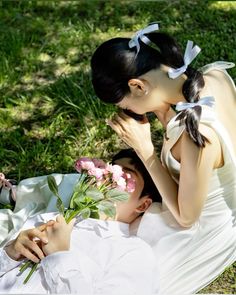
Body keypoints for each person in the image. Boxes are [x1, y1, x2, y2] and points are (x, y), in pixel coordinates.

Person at [91, 23, 236, 294]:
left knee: (113, 270)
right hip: (205, 193)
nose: (129, 111)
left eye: (125, 106)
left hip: (206, 227)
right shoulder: (213, 77)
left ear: (137, 85)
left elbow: (186, 218)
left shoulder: (195, 136)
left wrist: (145, 151)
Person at [0, 148, 160, 294]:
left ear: (143, 204)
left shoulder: (134, 252)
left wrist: (58, 255)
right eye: (108, 171)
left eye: (125, 176)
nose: (108, 179)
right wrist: (10, 253)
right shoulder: (54, 218)